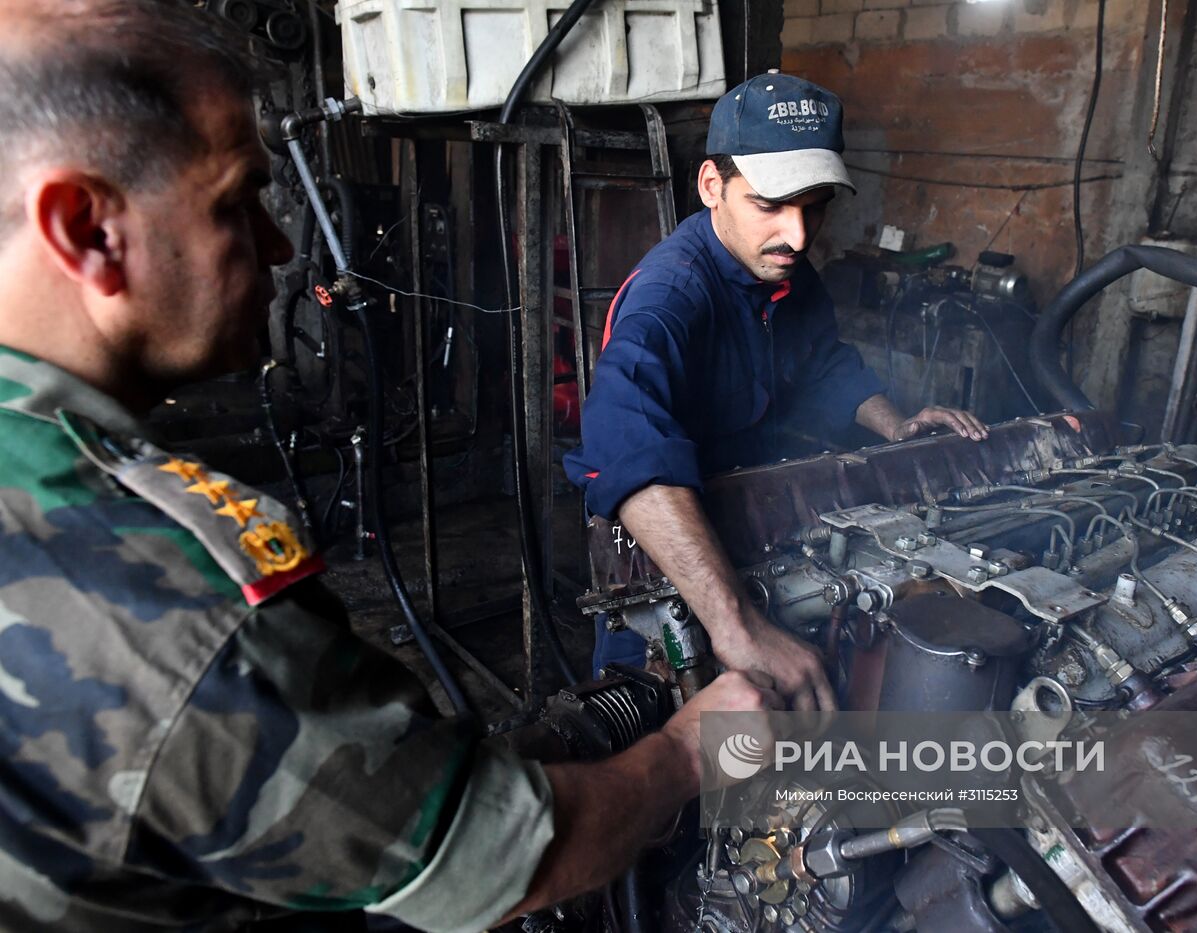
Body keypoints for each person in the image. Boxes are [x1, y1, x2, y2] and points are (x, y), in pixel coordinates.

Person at [0, 2, 778, 930]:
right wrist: (693, 750)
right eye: (237, 200)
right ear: (87, 230)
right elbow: (500, 860)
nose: (283, 244)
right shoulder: (168, 607)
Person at [565, 72, 988, 710]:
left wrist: (894, 426)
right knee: (659, 723)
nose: (797, 234)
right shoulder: (670, 296)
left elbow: (825, 364)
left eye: (813, 204)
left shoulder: (785, 267)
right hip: (670, 559)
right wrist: (735, 623)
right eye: (770, 204)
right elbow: (627, 448)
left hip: (758, 530)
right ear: (714, 185)